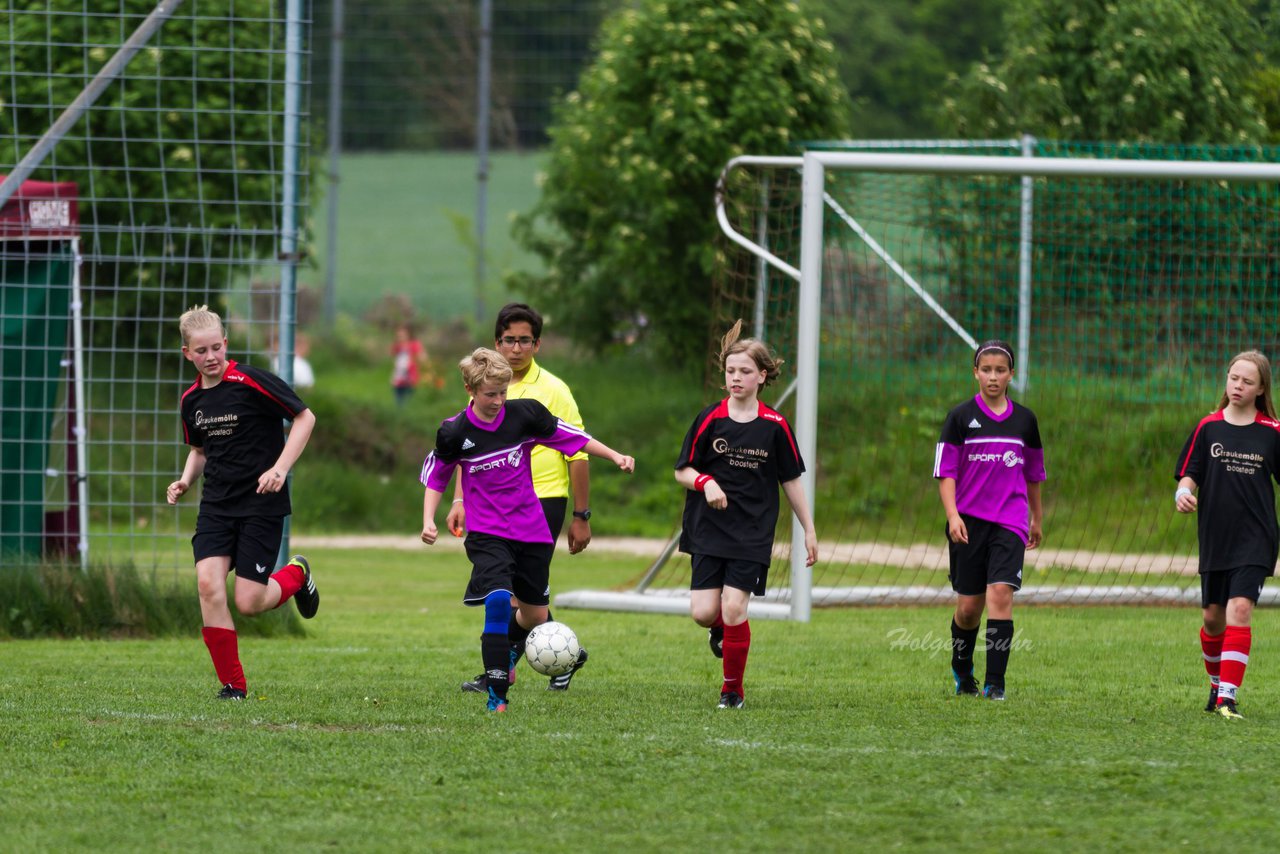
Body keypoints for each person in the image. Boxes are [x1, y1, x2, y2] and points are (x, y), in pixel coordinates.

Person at [419, 347, 634, 712]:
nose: (498, 400)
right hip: (488, 532)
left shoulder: (525, 415)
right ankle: (496, 695)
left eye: (503, 392)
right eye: (490, 394)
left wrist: (614, 455)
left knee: (534, 615)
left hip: (531, 529)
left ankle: (508, 663)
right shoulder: (455, 432)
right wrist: (428, 518)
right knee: (499, 599)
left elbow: (574, 438)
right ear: (471, 390)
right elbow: (437, 474)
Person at [165, 305, 320, 701]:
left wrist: (280, 469)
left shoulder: (251, 381)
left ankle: (297, 574)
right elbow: (200, 450)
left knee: (249, 602)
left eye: (216, 347)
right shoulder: (191, 402)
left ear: (226, 344)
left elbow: (305, 418)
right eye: (201, 351)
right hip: (216, 506)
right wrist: (184, 481)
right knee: (207, 584)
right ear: (188, 354)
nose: (211, 357)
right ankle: (233, 685)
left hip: (260, 505)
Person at [674, 320, 817, 709]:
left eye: (745, 372)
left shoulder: (775, 427)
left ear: (762, 376)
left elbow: (791, 480)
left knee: (735, 607)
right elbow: (681, 470)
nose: (736, 378)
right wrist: (706, 482)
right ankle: (721, 629)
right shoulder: (709, 419)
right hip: (708, 529)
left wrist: (809, 528)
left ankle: (732, 691)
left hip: (752, 533)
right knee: (705, 613)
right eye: (730, 371)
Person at [451, 303, 594, 693]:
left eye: (524, 340)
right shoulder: (488, 384)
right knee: (514, 594)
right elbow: (470, 452)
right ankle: (557, 654)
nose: (516, 348)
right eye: (509, 340)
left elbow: (577, 451)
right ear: (497, 344)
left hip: (543, 499)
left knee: (517, 593)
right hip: (493, 504)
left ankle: (509, 668)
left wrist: (581, 513)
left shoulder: (553, 390)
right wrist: (459, 500)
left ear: (537, 344)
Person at [934, 339, 1045, 702]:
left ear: (1012, 374)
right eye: (986, 370)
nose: (993, 377)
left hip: (1010, 521)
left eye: (1001, 370)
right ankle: (963, 671)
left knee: (1000, 594)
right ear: (975, 373)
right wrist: (952, 516)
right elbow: (946, 473)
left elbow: (1033, 475)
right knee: (968, 608)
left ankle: (995, 684)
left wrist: (1036, 519)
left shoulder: (1025, 421)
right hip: (967, 522)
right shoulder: (960, 418)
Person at [1175, 350, 1280, 720]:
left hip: (1257, 537)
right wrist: (1183, 492)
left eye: (1247, 381)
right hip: (1216, 538)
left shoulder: (1273, 433)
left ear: (1261, 388)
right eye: (1234, 378)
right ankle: (1216, 684)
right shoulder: (1208, 427)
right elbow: (1190, 473)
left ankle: (1227, 698)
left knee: (1240, 609)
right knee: (1212, 618)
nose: (1238, 385)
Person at [390, 323, 434, 406]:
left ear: (408, 334)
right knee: (399, 402)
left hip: (411, 378)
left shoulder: (414, 345)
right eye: (398, 334)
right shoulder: (397, 346)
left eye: (402, 334)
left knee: (410, 402)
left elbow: (423, 357)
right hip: (398, 378)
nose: (400, 336)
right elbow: (395, 359)